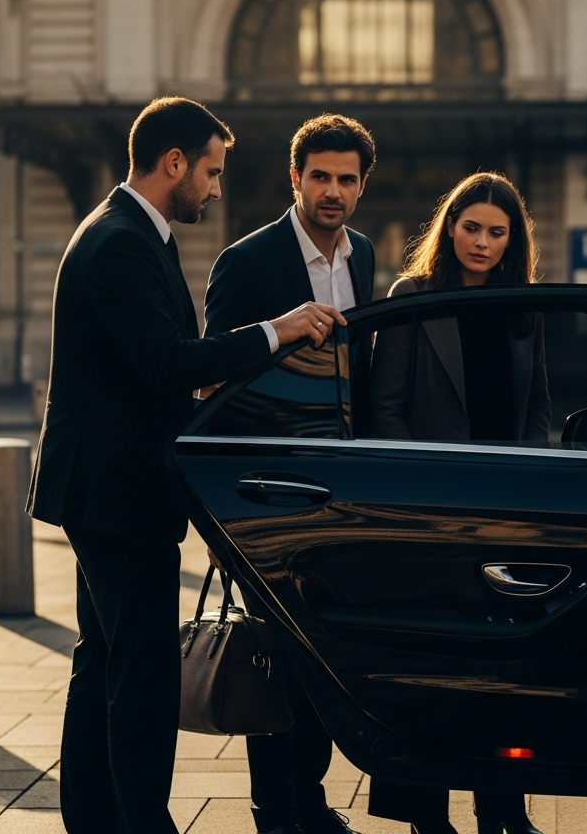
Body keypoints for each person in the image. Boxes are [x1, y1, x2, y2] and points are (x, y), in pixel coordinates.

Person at [26, 97, 341, 834]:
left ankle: (97, 818)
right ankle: (142, 825)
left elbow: (158, 363)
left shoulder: (136, 232)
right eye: (211, 171)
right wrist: (280, 329)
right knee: (139, 672)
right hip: (116, 493)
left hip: (109, 489)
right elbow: (168, 363)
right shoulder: (120, 242)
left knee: (104, 660)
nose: (217, 188)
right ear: (173, 163)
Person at [205, 113, 376, 834]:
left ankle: (309, 797)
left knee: (325, 656)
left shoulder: (363, 257)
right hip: (265, 493)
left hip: (340, 492)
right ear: (295, 178)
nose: (332, 191)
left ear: (362, 186)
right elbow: (211, 382)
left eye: (346, 179)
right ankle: (276, 809)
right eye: (320, 177)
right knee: (273, 656)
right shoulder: (247, 261)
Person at [368, 172, 547, 834]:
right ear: (449, 228)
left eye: (497, 232)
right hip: (430, 510)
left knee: (507, 669)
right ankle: (426, 815)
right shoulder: (413, 295)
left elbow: (538, 408)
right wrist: (422, 492)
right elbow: (385, 408)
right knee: (432, 671)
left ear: (512, 240)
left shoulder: (526, 303)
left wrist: (531, 481)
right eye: (470, 227)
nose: (482, 242)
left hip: (505, 508)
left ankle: (505, 807)